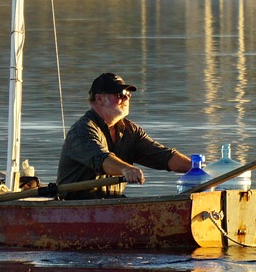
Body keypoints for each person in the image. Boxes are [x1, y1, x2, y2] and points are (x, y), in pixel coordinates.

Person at [56, 72, 192, 199]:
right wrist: (126, 169)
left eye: (128, 93)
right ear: (99, 99)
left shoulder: (130, 131)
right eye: (120, 94)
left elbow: (164, 156)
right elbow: (101, 159)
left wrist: (200, 171)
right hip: (76, 205)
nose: (126, 97)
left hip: (113, 205)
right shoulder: (82, 130)